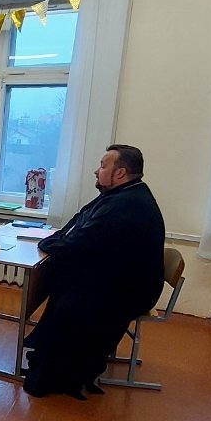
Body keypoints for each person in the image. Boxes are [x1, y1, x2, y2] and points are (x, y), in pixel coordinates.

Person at [22, 144, 166, 400]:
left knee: (71, 302)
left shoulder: (126, 204)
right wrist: (56, 239)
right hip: (119, 277)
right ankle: (45, 356)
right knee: (62, 282)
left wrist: (49, 243)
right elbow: (79, 221)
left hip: (132, 290)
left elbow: (79, 242)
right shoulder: (120, 194)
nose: (96, 171)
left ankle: (58, 376)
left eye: (102, 165)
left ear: (120, 173)